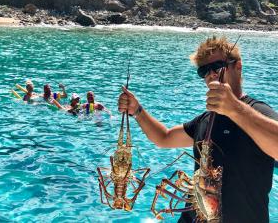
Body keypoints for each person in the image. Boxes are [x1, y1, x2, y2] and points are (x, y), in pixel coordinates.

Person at [118, 36, 278, 223]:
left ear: (238, 66)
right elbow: (164, 137)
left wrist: (235, 108)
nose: (211, 74)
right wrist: (137, 110)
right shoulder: (206, 120)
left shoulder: (257, 112)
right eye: (204, 71)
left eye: (217, 67)